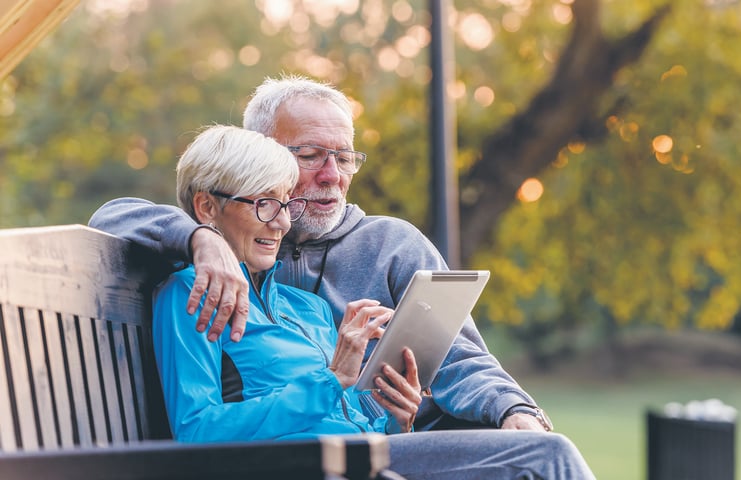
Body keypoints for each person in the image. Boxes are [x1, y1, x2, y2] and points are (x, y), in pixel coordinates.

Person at [89, 74, 550, 432]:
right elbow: (114, 215)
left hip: (401, 442)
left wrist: (512, 410)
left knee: (538, 451)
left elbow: (459, 357)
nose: (332, 175)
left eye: (344, 157)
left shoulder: (390, 246)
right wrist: (200, 239)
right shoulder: (230, 235)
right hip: (312, 460)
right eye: (310, 155)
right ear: (263, 159)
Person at [155, 123, 595, 479]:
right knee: (543, 457)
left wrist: (394, 416)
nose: (280, 224)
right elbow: (196, 433)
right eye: (265, 205)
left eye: (286, 205)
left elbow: (357, 412)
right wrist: (331, 380)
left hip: (370, 457)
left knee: (531, 451)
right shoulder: (188, 295)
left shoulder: (301, 306)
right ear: (207, 208)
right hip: (308, 467)